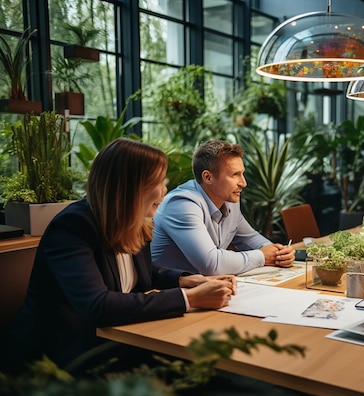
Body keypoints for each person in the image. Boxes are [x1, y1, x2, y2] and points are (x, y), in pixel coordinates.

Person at [0, 138, 237, 373]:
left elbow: (141, 272)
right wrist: (190, 298)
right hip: (59, 360)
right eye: (158, 182)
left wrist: (186, 280)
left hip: (116, 343)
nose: (165, 190)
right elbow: (98, 305)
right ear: (130, 186)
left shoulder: (136, 222)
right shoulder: (73, 227)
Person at [151, 139, 295, 275]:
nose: (243, 183)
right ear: (208, 177)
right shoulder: (181, 203)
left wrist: (278, 253)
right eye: (235, 175)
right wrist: (262, 256)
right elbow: (212, 264)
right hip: (166, 292)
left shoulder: (229, 200)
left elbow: (250, 238)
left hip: (205, 286)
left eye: (242, 174)